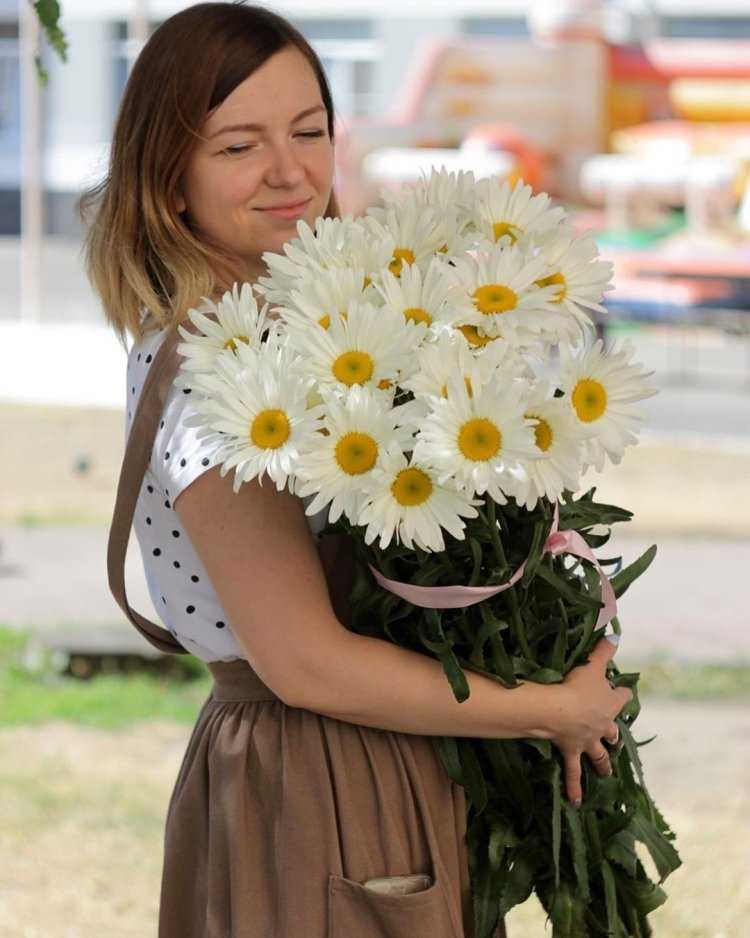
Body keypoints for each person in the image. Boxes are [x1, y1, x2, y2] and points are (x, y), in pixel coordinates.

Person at [79, 4, 633, 937]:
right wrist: (551, 709)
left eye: (309, 130)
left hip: (365, 763)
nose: (290, 170)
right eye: (238, 145)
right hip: (320, 778)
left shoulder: (310, 331)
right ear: (167, 178)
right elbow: (307, 664)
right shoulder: (226, 374)